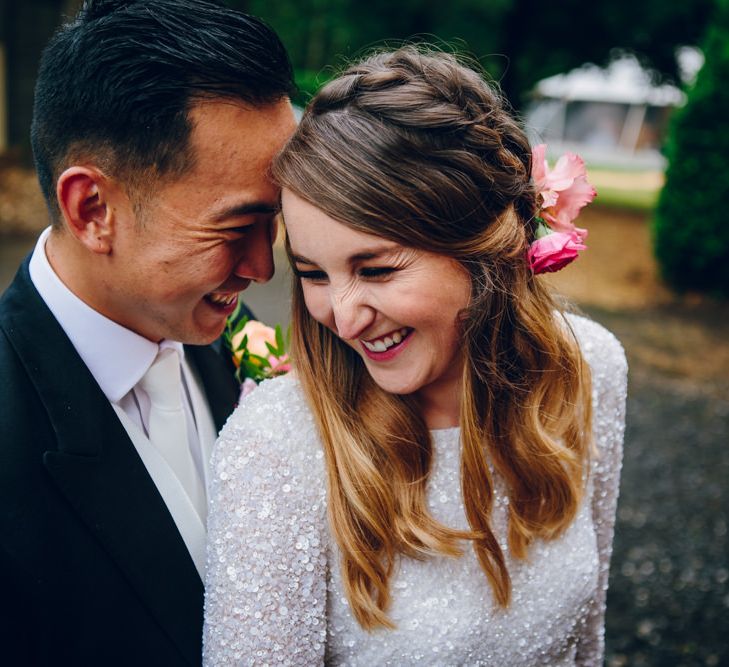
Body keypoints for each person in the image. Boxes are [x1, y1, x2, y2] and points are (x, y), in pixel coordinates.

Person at [203, 47, 627, 666]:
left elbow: (586, 643)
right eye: (313, 274)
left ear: (484, 246)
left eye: (375, 269)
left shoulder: (589, 369)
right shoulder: (276, 447)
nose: (342, 317)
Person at [0, 1, 296, 664]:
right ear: (93, 209)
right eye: (233, 227)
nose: (261, 266)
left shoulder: (229, 336)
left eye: (272, 220)